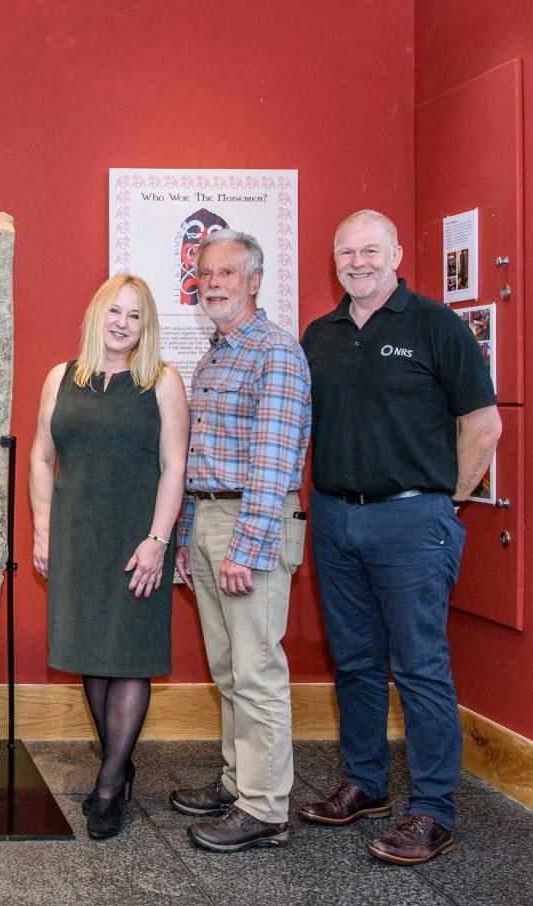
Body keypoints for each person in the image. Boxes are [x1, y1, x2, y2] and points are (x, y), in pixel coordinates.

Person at [298, 210, 500, 865]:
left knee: (420, 668)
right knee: (354, 662)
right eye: (346, 252)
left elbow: (483, 425)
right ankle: (366, 784)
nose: (357, 262)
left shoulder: (437, 326)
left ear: (395, 254)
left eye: (369, 251)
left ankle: (433, 810)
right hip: (335, 518)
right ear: (335, 260)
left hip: (412, 522)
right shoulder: (319, 335)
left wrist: (446, 503)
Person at [28, 274, 187, 840]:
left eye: (135, 315)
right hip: (77, 534)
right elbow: (42, 459)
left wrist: (158, 541)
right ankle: (118, 763)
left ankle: (109, 784)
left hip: (137, 538)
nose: (122, 323)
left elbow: (175, 468)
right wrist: (44, 531)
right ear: (97, 314)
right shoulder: (60, 378)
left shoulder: (162, 382)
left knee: (129, 657)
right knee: (92, 657)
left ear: (147, 326)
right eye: (115, 311)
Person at [169, 229, 312, 853]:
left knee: (256, 670)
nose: (214, 283)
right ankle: (238, 780)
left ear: (254, 281)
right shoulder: (215, 355)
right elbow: (197, 456)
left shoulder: (275, 352)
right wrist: (185, 536)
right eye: (206, 273)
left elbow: (275, 460)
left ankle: (265, 807)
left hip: (249, 521)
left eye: (228, 273)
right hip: (207, 519)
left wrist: (246, 546)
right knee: (228, 667)